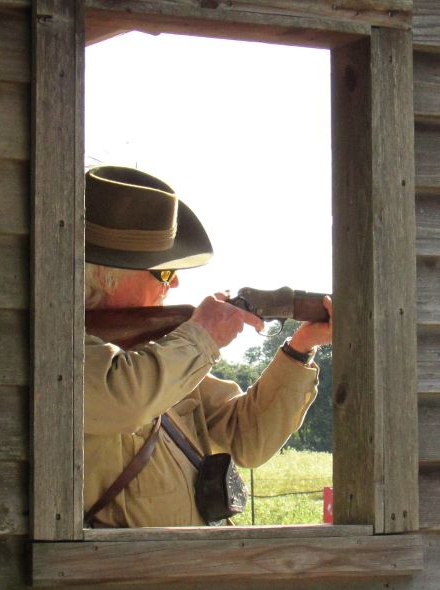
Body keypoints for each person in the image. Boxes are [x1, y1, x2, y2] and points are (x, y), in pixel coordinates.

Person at [84, 165, 332, 527]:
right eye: (164, 272)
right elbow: (125, 398)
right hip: (121, 562)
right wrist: (203, 335)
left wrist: (300, 348)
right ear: (106, 276)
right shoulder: (59, 346)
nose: (174, 283)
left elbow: (248, 439)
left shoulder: (163, 352)